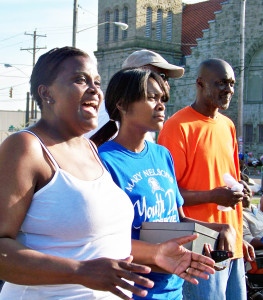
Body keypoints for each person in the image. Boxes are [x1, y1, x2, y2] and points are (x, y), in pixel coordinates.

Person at [0, 46, 155, 300]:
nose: (94, 89)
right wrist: (79, 271)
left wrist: (160, 254)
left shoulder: (91, 149)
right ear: (46, 93)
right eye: (80, 80)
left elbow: (93, 243)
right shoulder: (25, 148)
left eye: (97, 82)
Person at [91, 68, 234, 299]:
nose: (160, 105)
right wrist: (156, 255)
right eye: (150, 97)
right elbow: (100, 241)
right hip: (133, 290)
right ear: (122, 104)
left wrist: (217, 231)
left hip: (174, 288)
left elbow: (179, 220)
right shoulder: (104, 162)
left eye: (162, 99)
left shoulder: (162, 155)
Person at [158, 58, 255, 300]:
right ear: (200, 84)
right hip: (200, 249)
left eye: (231, 83)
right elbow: (168, 198)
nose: (229, 90)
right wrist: (213, 195)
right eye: (221, 83)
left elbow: (228, 180)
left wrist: (240, 233)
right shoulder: (177, 127)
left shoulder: (227, 125)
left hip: (232, 247)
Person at [85, 48, 184, 141]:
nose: (166, 84)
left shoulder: (143, 125)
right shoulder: (105, 117)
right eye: (162, 76)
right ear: (140, 73)